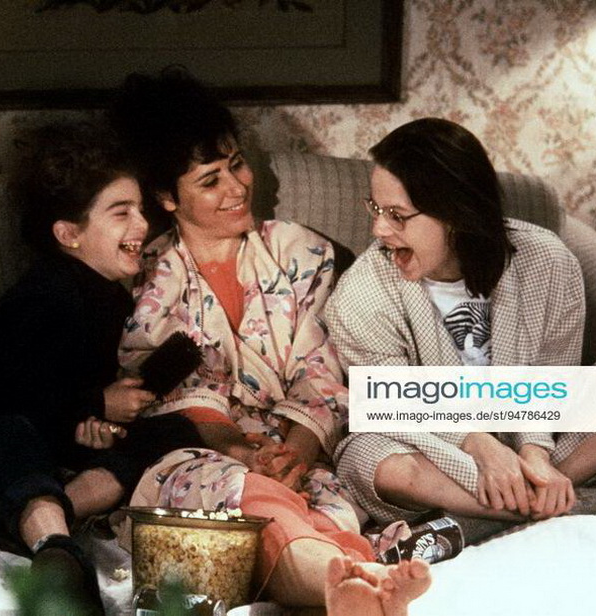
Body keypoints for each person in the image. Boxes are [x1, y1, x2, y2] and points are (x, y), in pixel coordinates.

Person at [109, 68, 427, 608]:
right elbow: (165, 387)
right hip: (202, 452)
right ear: (165, 196)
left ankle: (352, 585)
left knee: (318, 503)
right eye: (210, 180)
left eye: (237, 164)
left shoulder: (303, 253)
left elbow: (323, 367)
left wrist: (296, 452)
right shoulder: (147, 276)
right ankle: (351, 584)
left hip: (302, 450)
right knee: (240, 496)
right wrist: (237, 449)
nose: (237, 188)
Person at [324, 117, 596, 532]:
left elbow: (551, 381)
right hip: (434, 442)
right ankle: (584, 501)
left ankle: (502, 507)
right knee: (374, 462)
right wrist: (479, 444)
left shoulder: (548, 260)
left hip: (537, 431)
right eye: (375, 208)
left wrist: (534, 452)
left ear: (455, 212)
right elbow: (397, 402)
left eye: (397, 215)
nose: (379, 229)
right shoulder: (360, 293)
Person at [0, 123, 202, 608]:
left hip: (44, 434)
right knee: (12, 434)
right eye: (121, 213)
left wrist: (92, 423)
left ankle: (50, 515)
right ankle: (55, 548)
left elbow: (63, 398)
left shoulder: (110, 298)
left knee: (174, 433)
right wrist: (93, 403)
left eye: (140, 209)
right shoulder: (50, 293)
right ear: (69, 234)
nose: (141, 224)